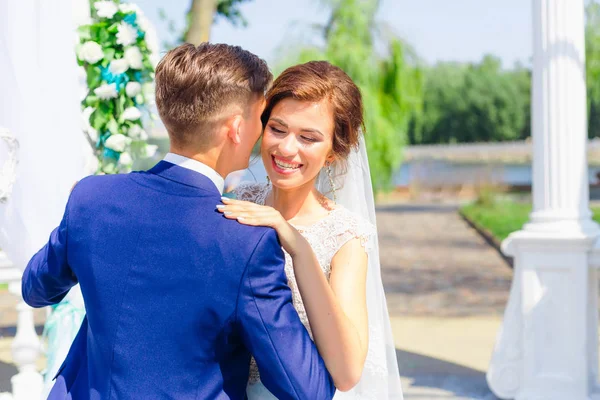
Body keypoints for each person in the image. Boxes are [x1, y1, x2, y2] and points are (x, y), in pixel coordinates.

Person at [21, 43, 335, 400]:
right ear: (235, 128)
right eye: (261, 118)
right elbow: (308, 390)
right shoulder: (245, 242)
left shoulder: (90, 198)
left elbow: (35, 289)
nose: (264, 132)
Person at [217, 61, 404, 399]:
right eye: (278, 128)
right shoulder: (235, 203)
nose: (287, 149)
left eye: (308, 138)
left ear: (333, 152)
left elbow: (347, 373)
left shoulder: (345, 237)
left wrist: (298, 247)